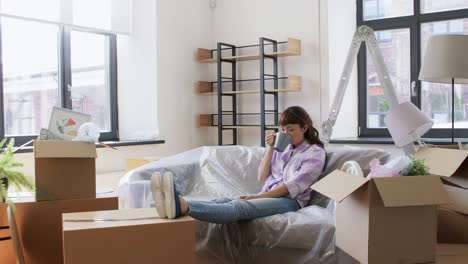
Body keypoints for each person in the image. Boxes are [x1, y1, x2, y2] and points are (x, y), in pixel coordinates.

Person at [151, 106, 326, 224]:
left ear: (304, 128)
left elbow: (290, 187)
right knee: (226, 200)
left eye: (291, 129)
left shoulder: (315, 153)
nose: (286, 133)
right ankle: (175, 203)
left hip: (291, 201)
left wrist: (257, 198)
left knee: (241, 206)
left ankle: (183, 206)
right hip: (268, 194)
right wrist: (271, 148)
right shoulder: (284, 149)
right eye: (283, 129)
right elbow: (262, 177)